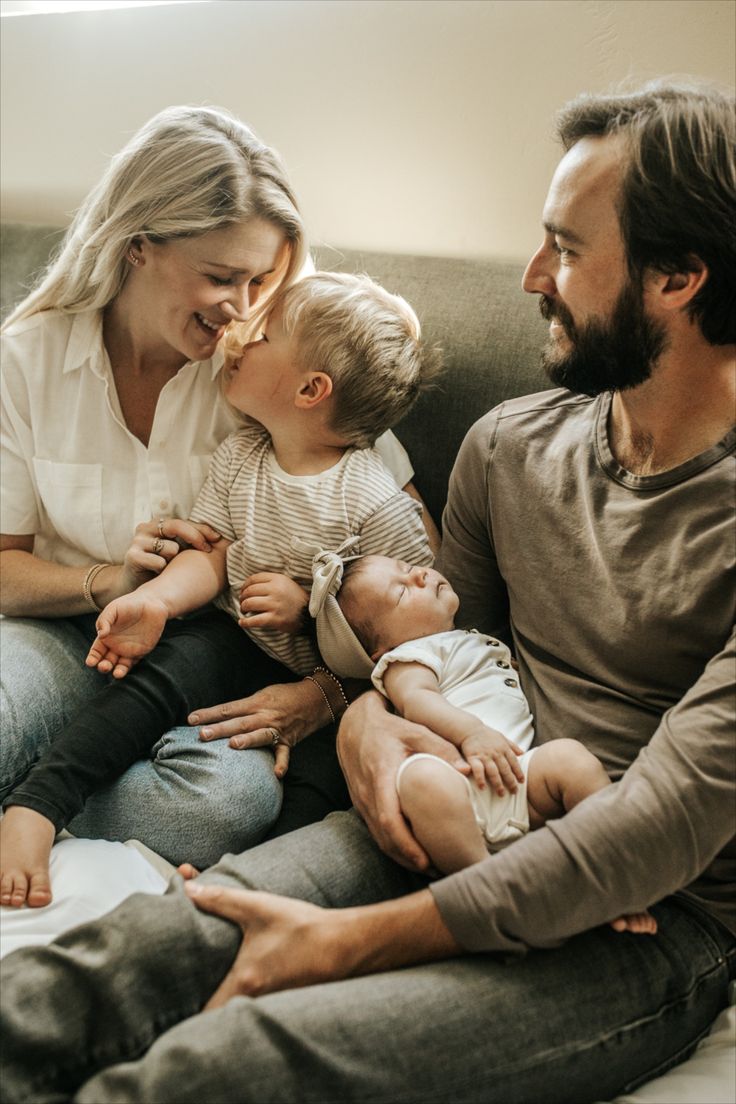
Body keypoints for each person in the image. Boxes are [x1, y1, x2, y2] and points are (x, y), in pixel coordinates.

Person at [1, 79, 734, 1104]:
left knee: (226, 1069)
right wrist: (362, 724)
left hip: (644, 916)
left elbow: (664, 826)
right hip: (433, 808)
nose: (531, 275)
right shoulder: (507, 449)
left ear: (679, 277)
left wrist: (347, 942)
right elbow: (421, 647)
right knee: (110, 967)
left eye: (564, 249)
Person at [0, 105, 438, 866]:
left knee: (224, 806)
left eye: (261, 279)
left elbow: (412, 566)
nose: (240, 308)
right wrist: (114, 583)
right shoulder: (26, 359)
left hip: (223, 657)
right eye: (219, 276)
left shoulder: (268, 371)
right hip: (60, 637)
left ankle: (42, 793)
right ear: (137, 245)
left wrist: (327, 695)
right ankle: (38, 789)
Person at [312, 550, 656, 933]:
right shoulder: (409, 659)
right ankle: (487, 886)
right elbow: (417, 701)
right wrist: (470, 733)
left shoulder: (473, 641)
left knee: (572, 760)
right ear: (383, 649)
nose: (421, 578)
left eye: (409, 569)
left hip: (518, 776)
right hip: (457, 783)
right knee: (422, 780)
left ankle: (611, 876)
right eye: (402, 593)